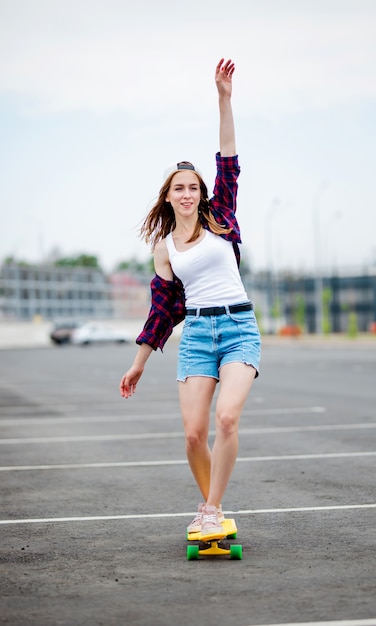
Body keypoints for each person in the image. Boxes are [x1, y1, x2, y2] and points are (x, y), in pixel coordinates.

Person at [119, 58, 261, 541]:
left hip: (239, 328)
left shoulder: (221, 218)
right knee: (194, 434)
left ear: (202, 194)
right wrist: (138, 362)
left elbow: (228, 159)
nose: (186, 193)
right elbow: (162, 312)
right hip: (198, 333)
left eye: (192, 187)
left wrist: (223, 98)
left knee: (226, 416)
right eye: (178, 188)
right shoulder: (165, 250)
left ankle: (212, 507)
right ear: (168, 197)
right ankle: (211, 510)